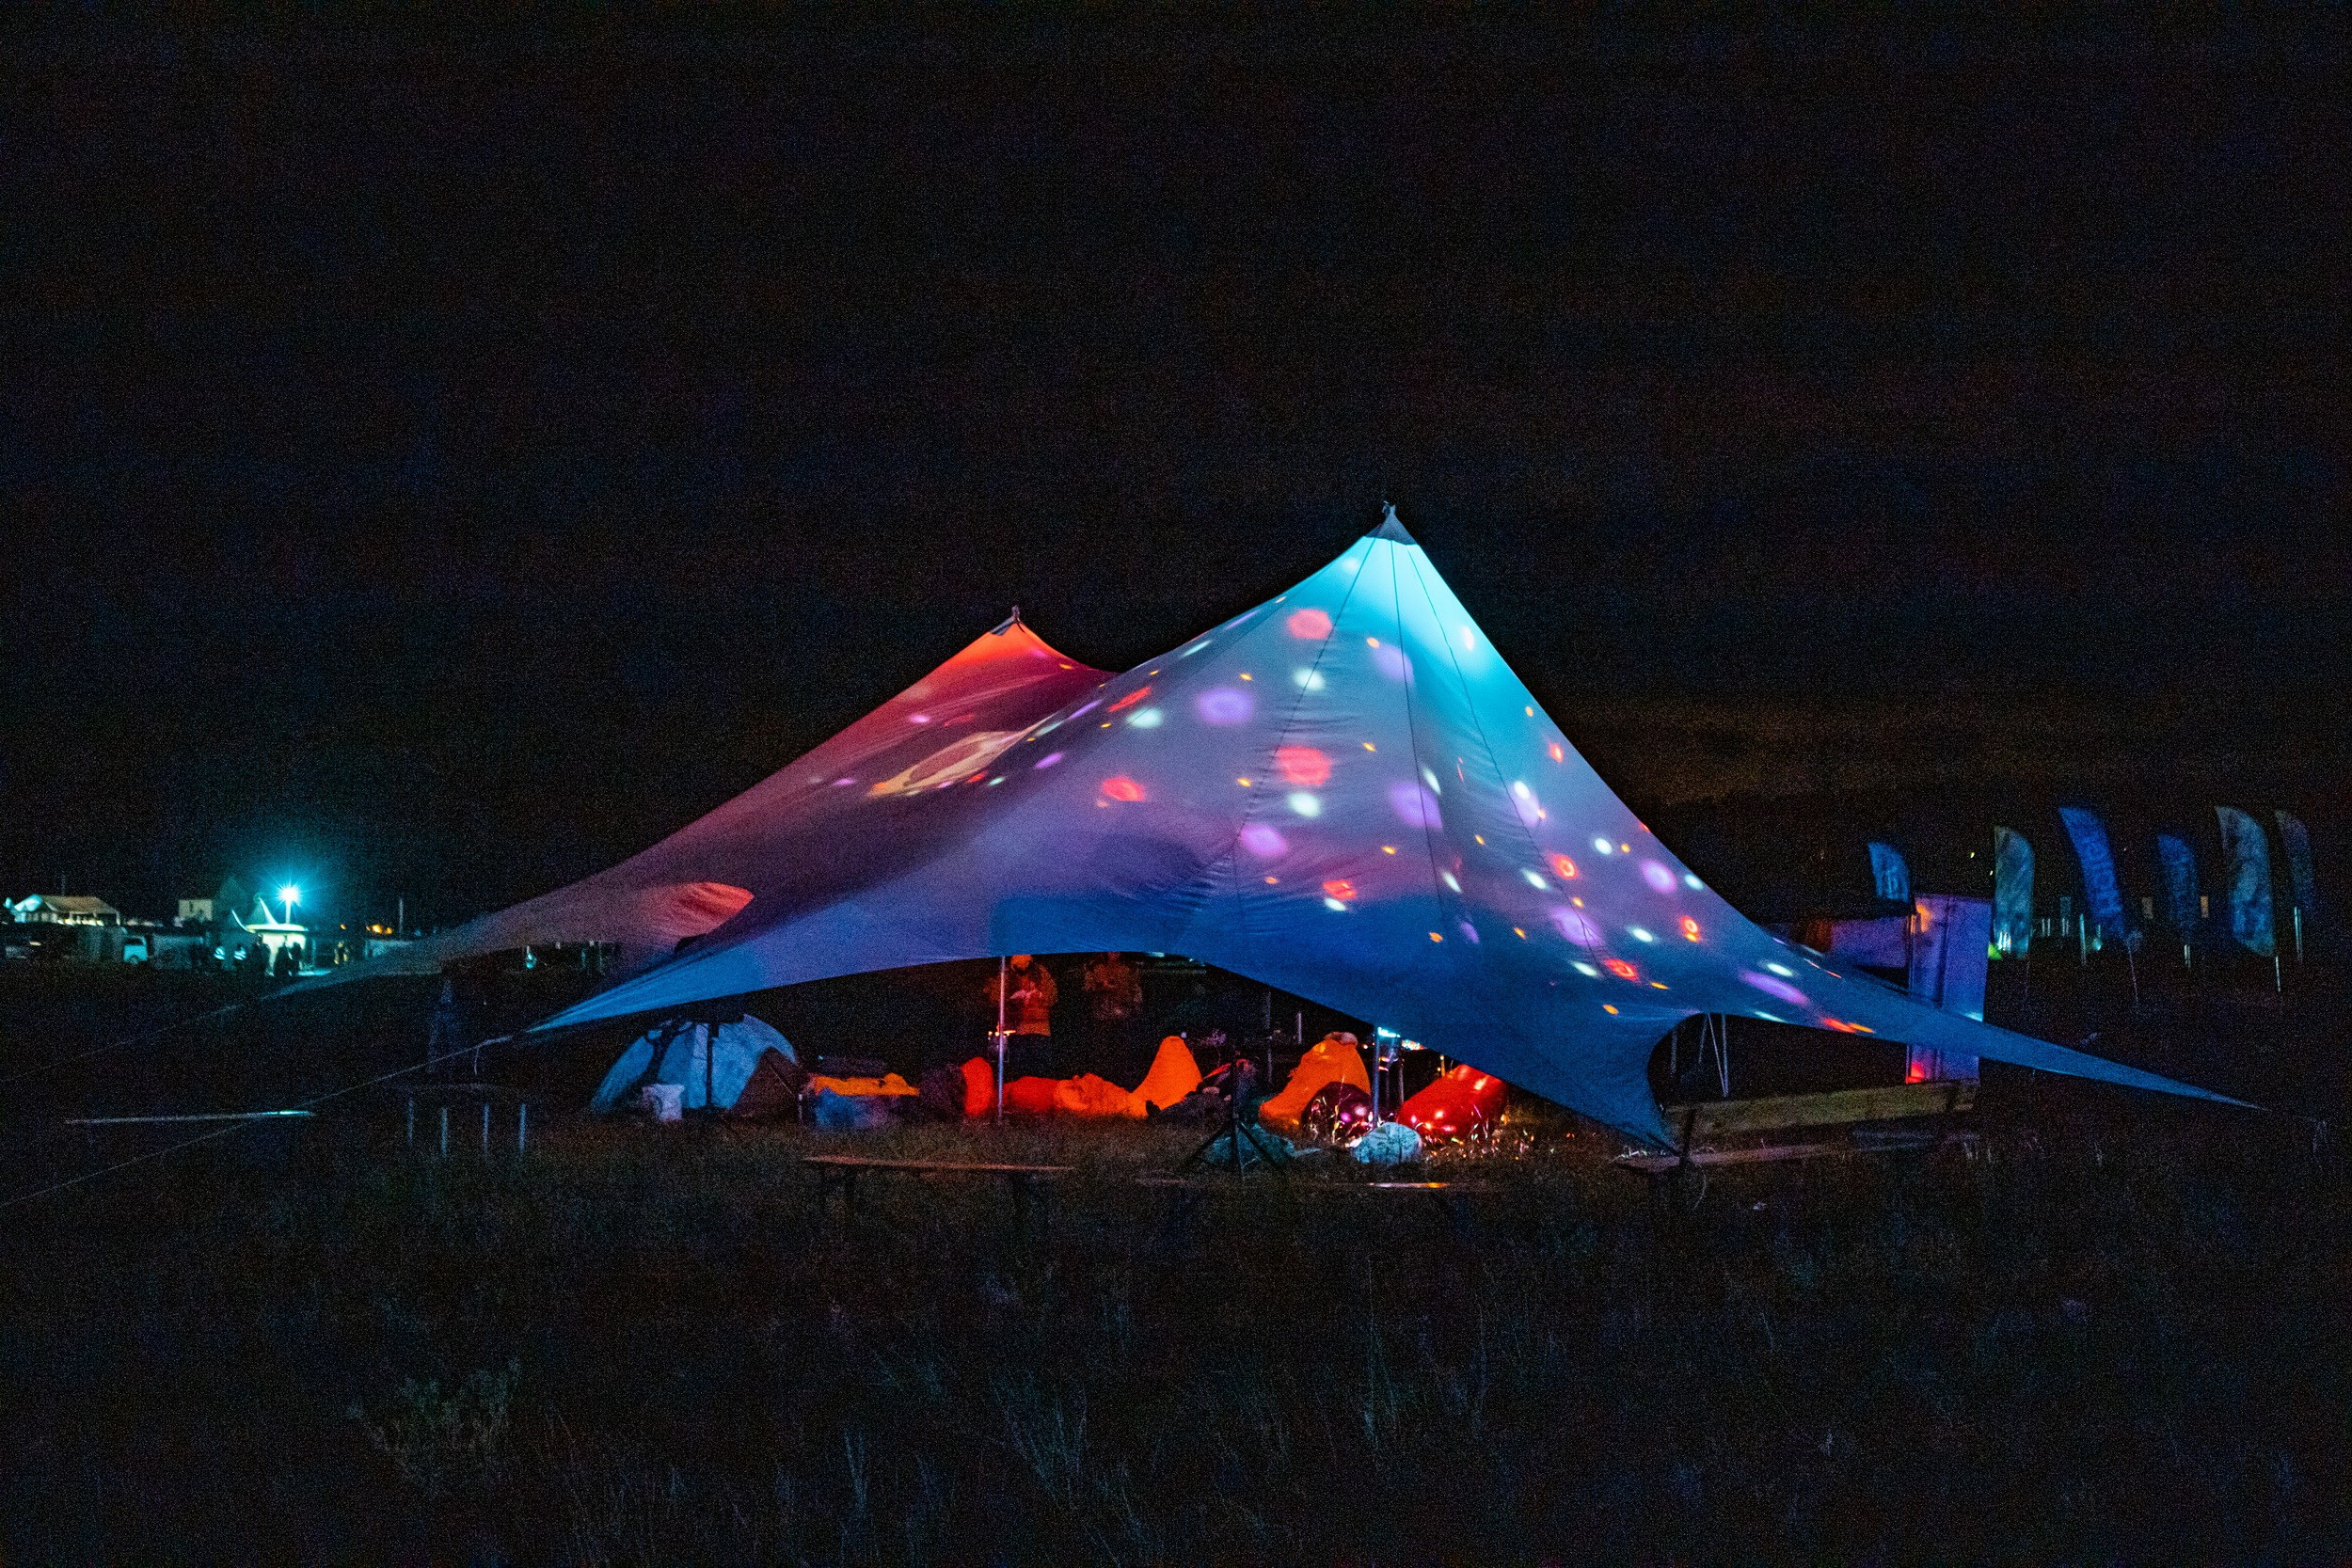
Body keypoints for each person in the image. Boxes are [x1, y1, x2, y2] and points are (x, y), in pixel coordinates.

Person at [983, 954, 1058, 1078]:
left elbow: (1052, 997)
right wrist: (1010, 1000)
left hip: (1040, 1030)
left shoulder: (1041, 973)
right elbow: (995, 998)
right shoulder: (1006, 974)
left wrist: (1037, 997)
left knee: (1040, 1073)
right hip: (1017, 1031)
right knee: (1020, 1072)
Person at [1080, 952, 1144, 1078]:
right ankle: (1103, 1077)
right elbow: (1087, 988)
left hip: (1123, 1015)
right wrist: (1100, 986)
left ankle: (1122, 1078)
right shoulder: (1094, 967)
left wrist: (1136, 1007)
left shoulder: (1129, 968)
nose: (1114, 953)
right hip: (1102, 1015)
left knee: (1122, 1051)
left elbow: (1135, 989)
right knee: (1103, 1052)